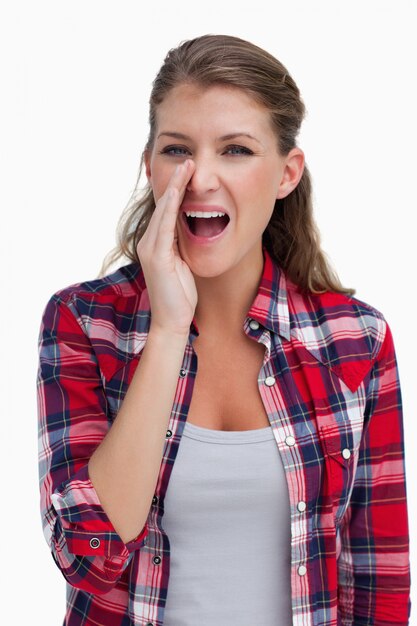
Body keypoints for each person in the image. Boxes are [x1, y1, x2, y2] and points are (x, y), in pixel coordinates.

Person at [36, 34, 411, 626]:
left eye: (235, 150)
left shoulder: (357, 341)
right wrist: (166, 331)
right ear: (149, 166)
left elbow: (380, 583)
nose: (201, 177)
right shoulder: (83, 324)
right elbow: (89, 557)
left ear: (286, 174)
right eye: (177, 149)